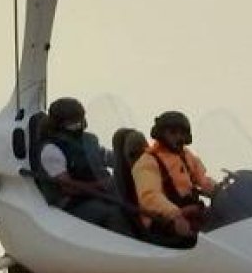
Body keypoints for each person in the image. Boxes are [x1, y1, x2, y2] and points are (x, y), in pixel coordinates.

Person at [35, 97, 133, 236]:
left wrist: (131, 160)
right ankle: (125, 249)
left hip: (101, 194)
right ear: (58, 123)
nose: (77, 124)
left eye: (79, 119)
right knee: (113, 213)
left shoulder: (88, 139)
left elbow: (105, 156)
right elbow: (68, 187)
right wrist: (101, 185)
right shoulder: (51, 149)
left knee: (133, 200)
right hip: (72, 203)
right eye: (72, 122)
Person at [131, 110, 215, 239]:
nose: (179, 137)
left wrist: (219, 190)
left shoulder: (185, 155)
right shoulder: (148, 162)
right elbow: (150, 197)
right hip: (162, 220)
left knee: (224, 218)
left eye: (182, 133)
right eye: (173, 133)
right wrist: (176, 214)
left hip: (188, 211)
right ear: (161, 134)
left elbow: (202, 179)